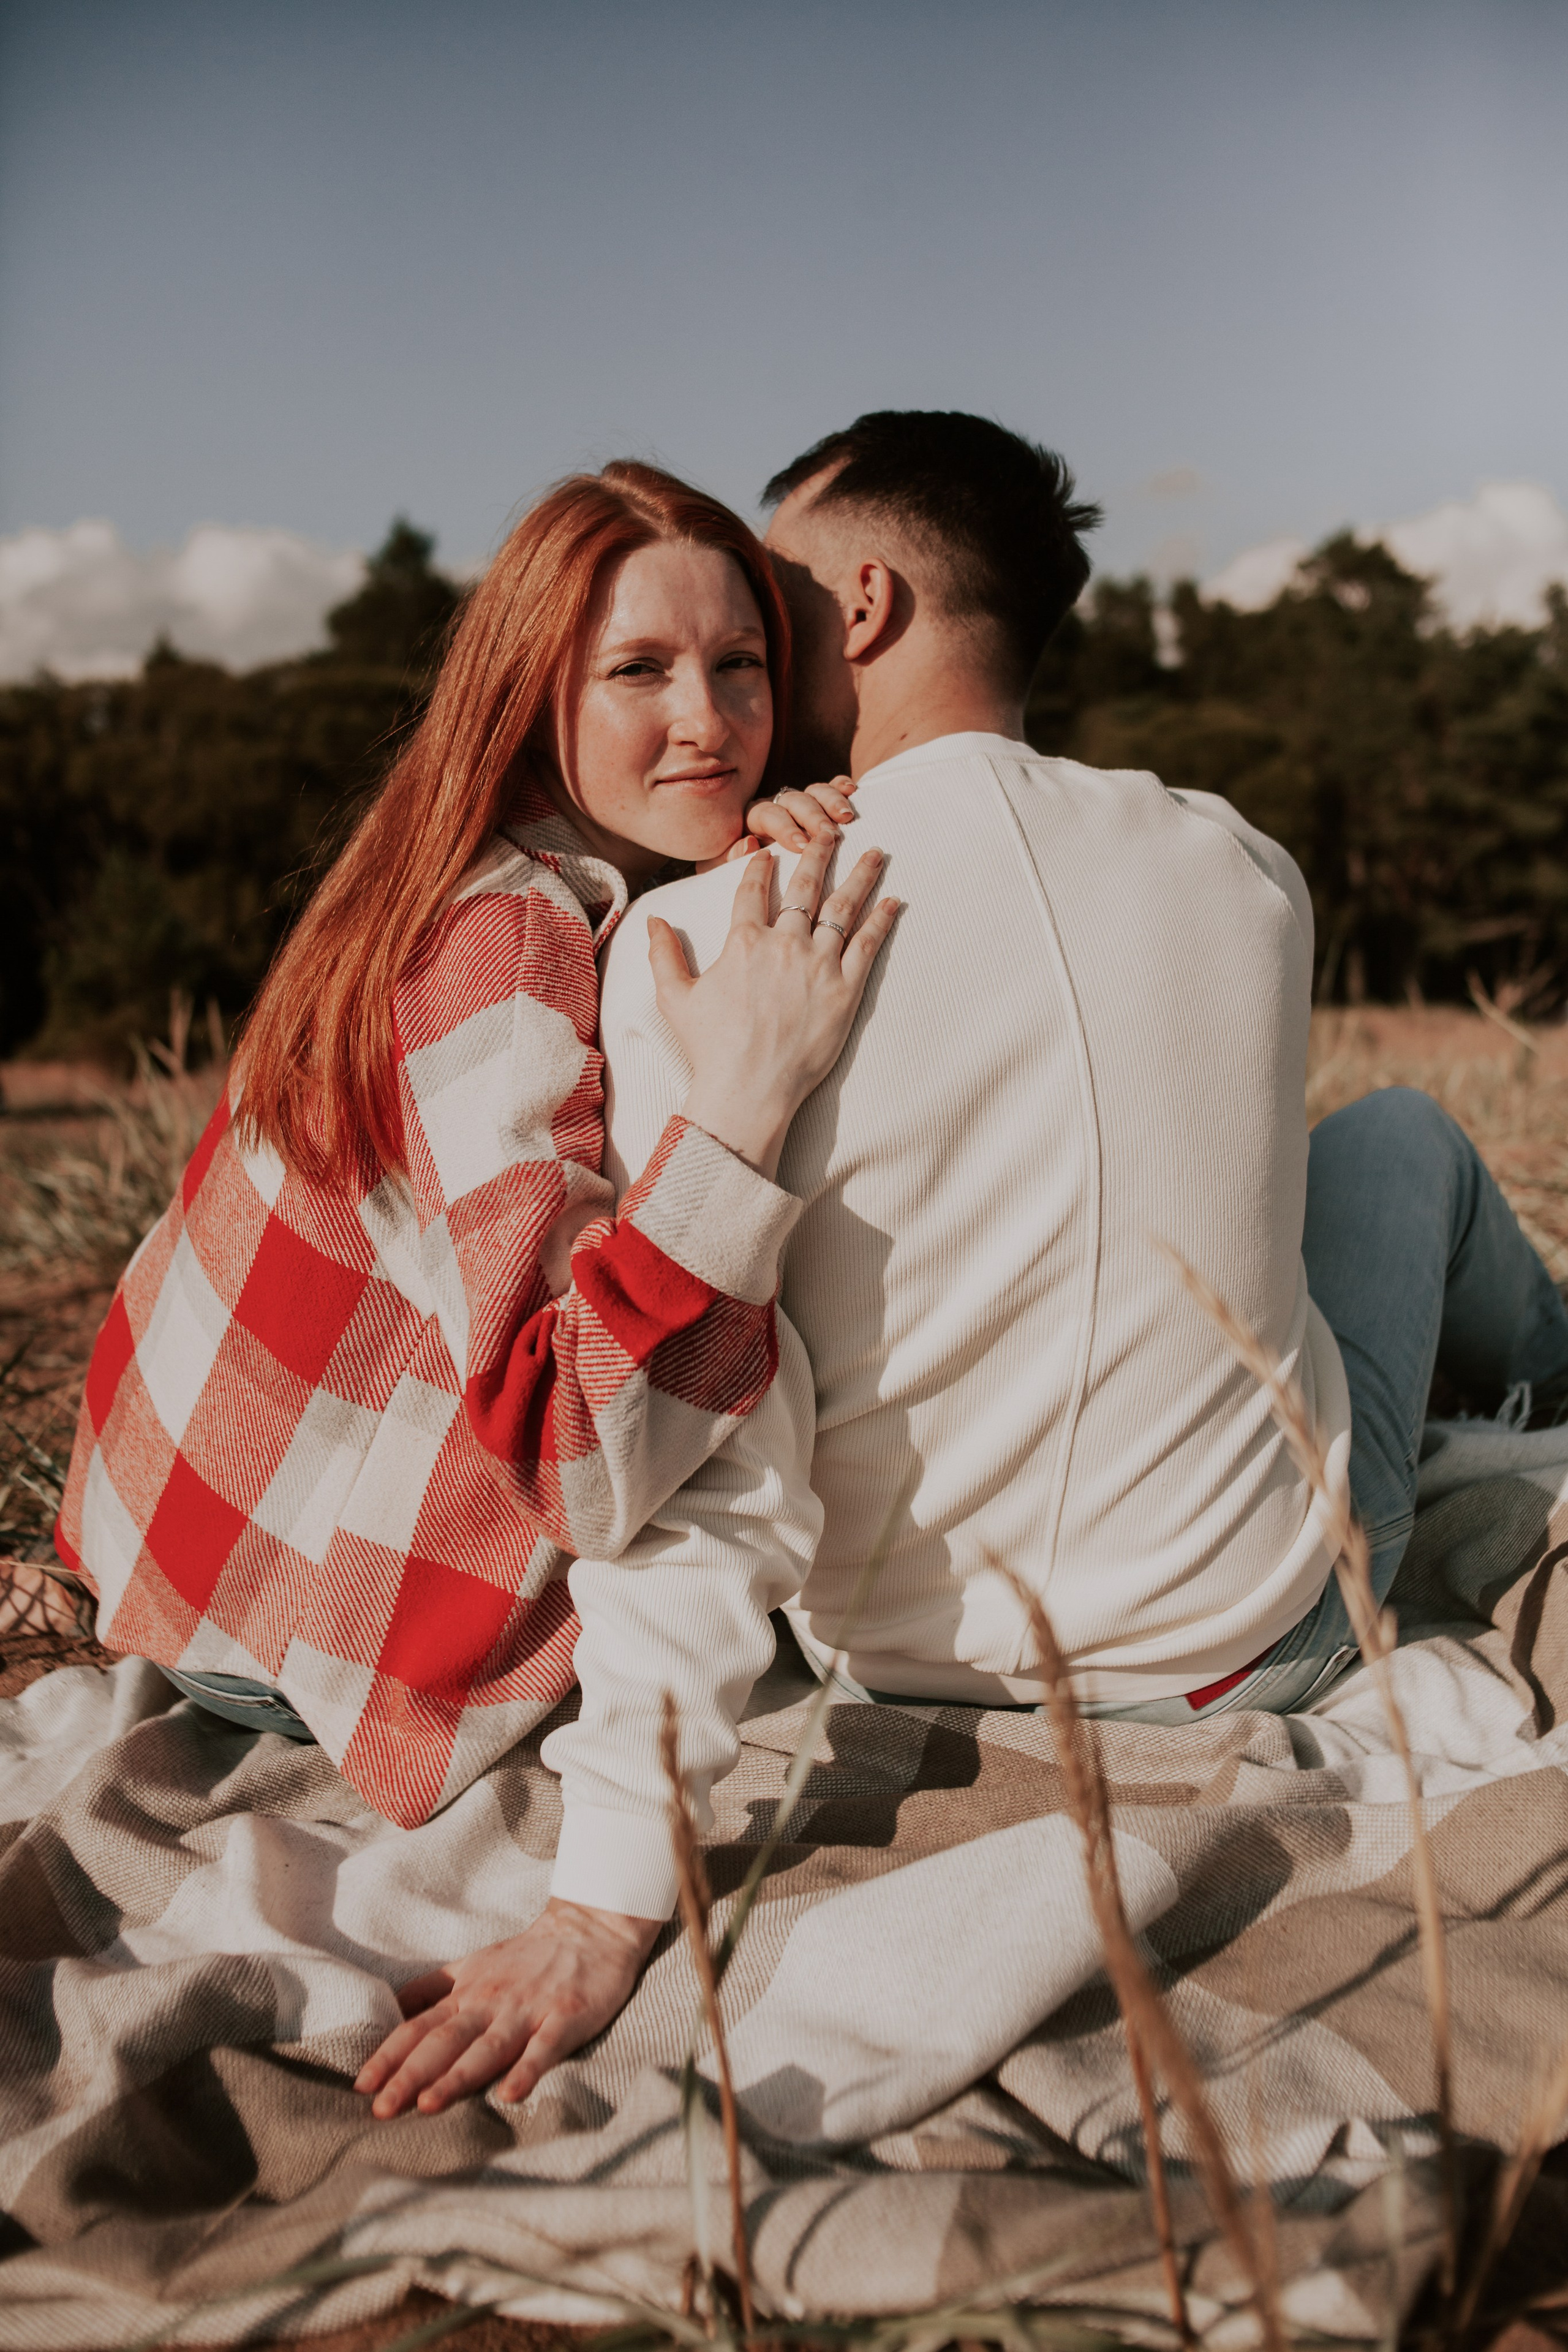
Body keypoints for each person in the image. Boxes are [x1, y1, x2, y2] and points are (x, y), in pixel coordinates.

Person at [359, 410, 1568, 2122]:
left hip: (906, 1660)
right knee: (1396, 1148)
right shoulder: (1248, 871)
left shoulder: (707, 948)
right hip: (1261, 1636)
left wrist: (604, 1893)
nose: (743, 678)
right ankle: (1549, 1374)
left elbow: (712, 1463)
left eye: (767, 610)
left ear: (856, 607)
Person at [43, 458, 897, 1832]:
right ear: (531, 692)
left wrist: (738, 845)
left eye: (740, 664)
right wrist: (744, 1102)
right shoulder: (504, 949)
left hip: (164, 1543)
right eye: (638, 672)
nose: (710, 722)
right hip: (298, 1644)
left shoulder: (453, 863)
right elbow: (574, 1452)